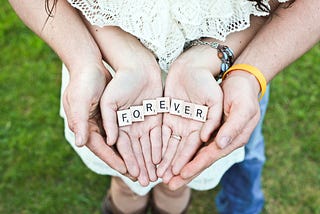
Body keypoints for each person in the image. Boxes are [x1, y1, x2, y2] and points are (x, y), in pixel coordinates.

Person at [9, 0, 320, 213]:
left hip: (219, 77)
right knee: (128, 181)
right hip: (111, 65)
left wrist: (249, 73)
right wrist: (83, 60)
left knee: (178, 182)